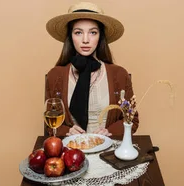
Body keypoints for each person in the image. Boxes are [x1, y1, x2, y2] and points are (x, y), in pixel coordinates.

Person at [44, 2, 139, 137]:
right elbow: (50, 123)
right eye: (78, 32)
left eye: (93, 32)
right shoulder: (55, 75)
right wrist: (67, 131)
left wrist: (110, 131)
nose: (85, 40)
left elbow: (132, 120)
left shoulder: (119, 74)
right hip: (71, 151)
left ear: (100, 36)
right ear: (70, 37)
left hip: (108, 150)